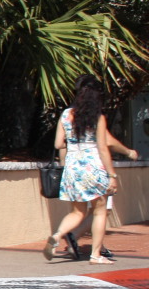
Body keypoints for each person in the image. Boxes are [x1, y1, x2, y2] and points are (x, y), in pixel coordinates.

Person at [44, 75, 120, 264]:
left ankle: (57, 234)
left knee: (77, 212)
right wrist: (112, 175)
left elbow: (58, 143)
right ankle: (96, 255)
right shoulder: (98, 117)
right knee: (99, 211)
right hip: (93, 167)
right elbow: (103, 148)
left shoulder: (66, 115)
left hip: (73, 167)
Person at [63, 131, 139, 259]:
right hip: (95, 169)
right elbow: (108, 141)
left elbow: (61, 143)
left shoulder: (69, 116)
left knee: (88, 210)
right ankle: (75, 237)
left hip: (74, 169)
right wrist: (128, 152)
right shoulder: (94, 117)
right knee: (103, 210)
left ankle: (98, 245)